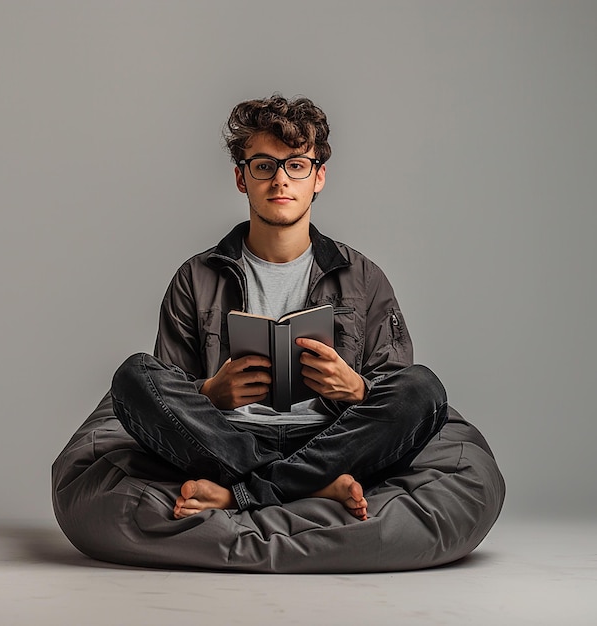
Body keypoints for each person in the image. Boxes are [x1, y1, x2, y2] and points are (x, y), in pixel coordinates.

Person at [110, 94, 448, 522]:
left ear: (318, 177)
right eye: (264, 165)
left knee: (424, 389)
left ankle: (245, 493)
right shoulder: (196, 277)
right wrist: (211, 393)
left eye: (296, 165)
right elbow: (169, 384)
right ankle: (310, 487)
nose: (280, 181)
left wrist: (354, 389)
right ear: (241, 178)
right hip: (225, 439)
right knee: (133, 376)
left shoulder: (364, 277)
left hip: (332, 437)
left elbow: (396, 386)